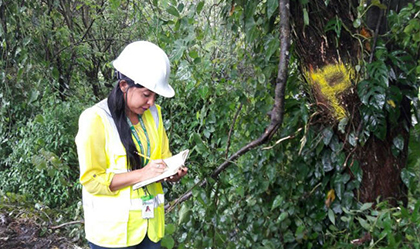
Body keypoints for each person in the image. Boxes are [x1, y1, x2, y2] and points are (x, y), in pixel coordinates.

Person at [75, 41, 188, 249]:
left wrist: (171, 173)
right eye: (146, 94)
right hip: (112, 236)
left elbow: (163, 156)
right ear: (124, 85)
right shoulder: (95, 119)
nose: (151, 102)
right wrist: (143, 174)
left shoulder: (154, 114)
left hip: (150, 230)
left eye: (155, 96)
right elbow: (92, 180)